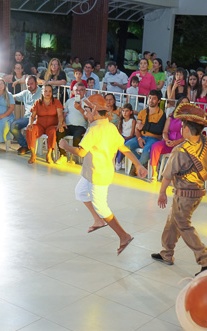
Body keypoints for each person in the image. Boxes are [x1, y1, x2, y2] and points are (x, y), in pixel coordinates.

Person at [58, 94, 147, 254]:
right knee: (80, 192)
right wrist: (138, 164)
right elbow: (123, 148)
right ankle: (98, 220)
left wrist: (66, 146)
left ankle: (124, 236)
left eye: (86, 111)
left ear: (94, 111)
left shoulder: (94, 129)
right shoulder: (110, 126)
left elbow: (81, 152)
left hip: (98, 174)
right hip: (94, 171)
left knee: (101, 206)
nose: (85, 114)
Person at [151, 103, 207, 273]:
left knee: (183, 225)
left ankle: (206, 260)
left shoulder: (180, 150)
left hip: (184, 195)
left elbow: (167, 175)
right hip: (197, 193)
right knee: (172, 222)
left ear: (186, 129)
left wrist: (162, 192)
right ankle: (166, 253)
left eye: (182, 126)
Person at [125, 90, 166, 170]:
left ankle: (137, 168)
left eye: (154, 98)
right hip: (142, 136)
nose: (151, 100)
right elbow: (137, 128)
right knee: (126, 146)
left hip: (154, 139)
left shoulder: (162, 114)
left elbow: (158, 130)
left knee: (147, 151)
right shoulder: (142, 112)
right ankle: (141, 164)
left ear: (158, 101)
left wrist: (144, 127)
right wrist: (139, 138)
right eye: (150, 98)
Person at [149, 96, 188, 179]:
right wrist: (167, 140)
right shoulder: (171, 117)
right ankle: (154, 172)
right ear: (178, 104)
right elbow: (165, 132)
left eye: (186, 103)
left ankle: (175, 176)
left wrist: (177, 142)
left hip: (182, 144)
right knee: (155, 146)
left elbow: (188, 137)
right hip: (170, 142)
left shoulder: (189, 119)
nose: (184, 104)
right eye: (182, 102)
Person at [25, 84, 64, 164]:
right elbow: (32, 116)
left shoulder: (56, 102)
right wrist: (30, 123)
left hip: (51, 126)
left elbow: (60, 115)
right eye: (45, 91)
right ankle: (33, 154)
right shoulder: (37, 102)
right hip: (40, 125)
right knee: (30, 130)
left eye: (50, 91)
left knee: (53, 131)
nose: (48, 93)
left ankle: (49, 154)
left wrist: (60, 123)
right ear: (42, 92)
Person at [56, 83, 88, 164]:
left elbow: (88, 118)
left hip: (80, 127)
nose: (79, 92)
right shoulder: (69, 101)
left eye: (81, 90)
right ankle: (63, 155)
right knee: (59, 132)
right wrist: (62, 122)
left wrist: (80, 108)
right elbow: (64, 114)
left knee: (77, 137)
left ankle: (74, 156)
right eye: (76, 90)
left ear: (85, 91)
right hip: (68, 126)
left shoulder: (87, 102)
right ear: (73, 92)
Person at [10, 75, 42, 155]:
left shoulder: (43, 92)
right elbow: (12, 97)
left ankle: (32, 147)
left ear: (36, 83)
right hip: (27, 118)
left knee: (32, 127)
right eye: (27, 84)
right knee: (13, 126)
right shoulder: (25, 93)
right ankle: (25, 145)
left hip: (39, 118)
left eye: (31, 84)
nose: (29, 86)